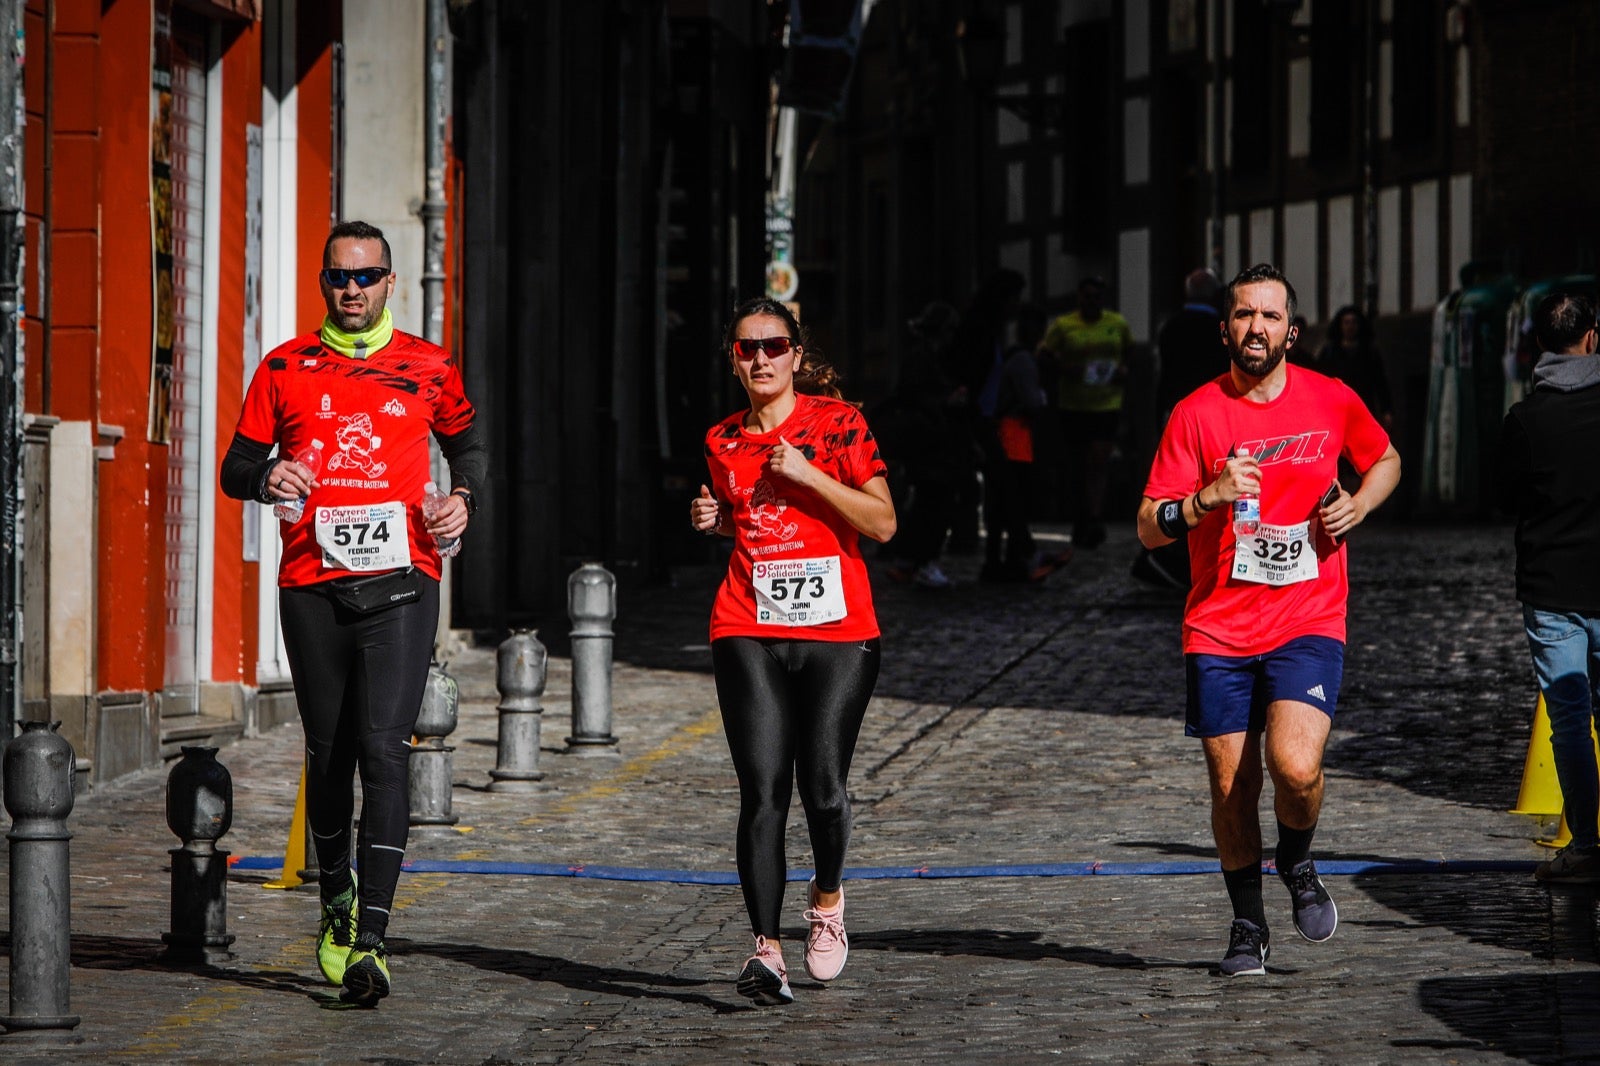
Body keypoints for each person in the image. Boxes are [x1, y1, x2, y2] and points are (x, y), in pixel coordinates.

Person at [220, 220, 486, 1007]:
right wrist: (269, 477)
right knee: (329, 754)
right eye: (340, 277)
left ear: (391, 283)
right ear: (324, 283)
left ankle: (372, 938)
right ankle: (334, 897)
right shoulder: (284, 367)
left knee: (385, 750)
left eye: (367, 277)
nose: (353, 290)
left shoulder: (429, 365)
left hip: (404, 581)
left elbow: (468, 448)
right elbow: (236, 465)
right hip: (312, 584)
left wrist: (460, 501)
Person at [1137, 263, 1400, 976]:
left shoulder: (1331, 398)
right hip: (1219, 627)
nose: (1258, 327)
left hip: (1309, 614)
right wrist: (1205, 498)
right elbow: (1148, 526)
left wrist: (1362, 504)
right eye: (1245, 315)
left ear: (1293, 330)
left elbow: (1386, 460)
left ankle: (1299, 856)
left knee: (1296, 764)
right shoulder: (1195, 414)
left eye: (1271, 316)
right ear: (1224, 328)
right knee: (1232, 785)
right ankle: (1247, 925)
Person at [689, 297, 896, 1005]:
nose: (761, 359)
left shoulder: (839, 425)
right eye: (747, 349)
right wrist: (713, 520)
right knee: (762, 790)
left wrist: (810, 475)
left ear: (796, 355)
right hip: (747, 623)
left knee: (826, 791)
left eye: (774, 346)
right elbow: (743, 520)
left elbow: (884, 522)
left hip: (838, 633)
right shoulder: (721, 439)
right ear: (733, 359)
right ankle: (767, 951)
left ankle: (829, 900)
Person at [1500, 290, 1600, 883]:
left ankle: (1586, 846)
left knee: (1568, 721)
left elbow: (1505, 500)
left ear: (1538, 344)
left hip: (1551, 586)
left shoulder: (1525, 419)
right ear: (1593, 336)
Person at [1134, 268, 1226, 590]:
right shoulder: (1219, 329)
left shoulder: (1170, 327)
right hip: (1209, 415)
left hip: (1176, 413)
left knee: (1177, 486)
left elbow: (1165, 375)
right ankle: (1171, 558)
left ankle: (1160, 555)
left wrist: (1161, 414)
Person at [1041, 275, 1133, 549]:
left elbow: (1129, 350)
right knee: (1078, 464)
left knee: (1099, 461)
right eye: (1087, 296)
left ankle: (1094, 517)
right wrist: (1065, 369)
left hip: (1107, 402)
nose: (1092, 301)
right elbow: (1045, 354)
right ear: (1079, 297)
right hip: (1074, 403)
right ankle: (1081, 517)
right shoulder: (1064, 326)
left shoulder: (1116, 323)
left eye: (1097, 296)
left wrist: (1123, 370)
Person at [982, 303, 1058, 581]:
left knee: (1001, 501)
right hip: (1015, 436)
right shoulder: (1024, 360)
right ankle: (1017, 559)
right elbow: (1033, 402)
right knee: (1013, 499)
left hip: (1004, 433)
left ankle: (1001, 561)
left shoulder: (1009, 356)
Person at [1295, 305, 1395, 431]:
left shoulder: (1369, 352)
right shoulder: (1330, 353)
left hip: (1363, 405)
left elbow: (1380, 382)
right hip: (1337, 408)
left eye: (1354, 322)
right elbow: (1320, 381)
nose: (1350, 327)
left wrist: (1386, 409)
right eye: (1346, 323)